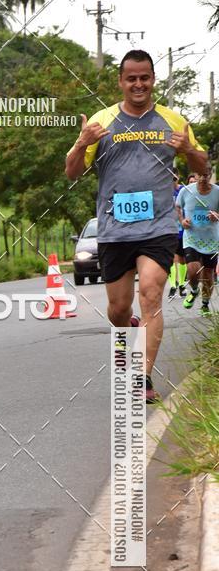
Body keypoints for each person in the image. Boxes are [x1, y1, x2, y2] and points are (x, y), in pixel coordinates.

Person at [65, 49, 208, 403]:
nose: (139, 84)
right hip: (114, 230)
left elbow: (203, 167)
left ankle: (141, 377)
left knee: (151, 295)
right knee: (117, 309)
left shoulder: (174, 121)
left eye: (145, 77)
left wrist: (188, 150)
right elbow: (71, 172)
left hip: (158, 227)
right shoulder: (101, 121)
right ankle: (128, 330)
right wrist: (83, 143)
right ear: (121, 81)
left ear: (153, 80)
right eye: (132, 78)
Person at [176, 164, 219, 315]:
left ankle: (205, 305)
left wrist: (217, 216)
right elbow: (178, 207)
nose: (202, 179)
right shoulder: (186, 191)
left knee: (208, 274)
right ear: (195, 174)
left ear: (210, 175)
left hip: (211, 240)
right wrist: (182, 220)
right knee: (192, 270)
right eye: (199, 175)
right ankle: (194, 291)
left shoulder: (217, 192)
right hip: (191, 238)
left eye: (205, 175)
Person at [168, 173, 190, 299]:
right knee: (170, 258)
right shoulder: (164, 191)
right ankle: (172, 285)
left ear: (178, 177)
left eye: (174, 178)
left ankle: (181, 284)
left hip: (182, 229)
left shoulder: (183, 190)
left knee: (181, 258)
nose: (172, 181)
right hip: (169, 230)